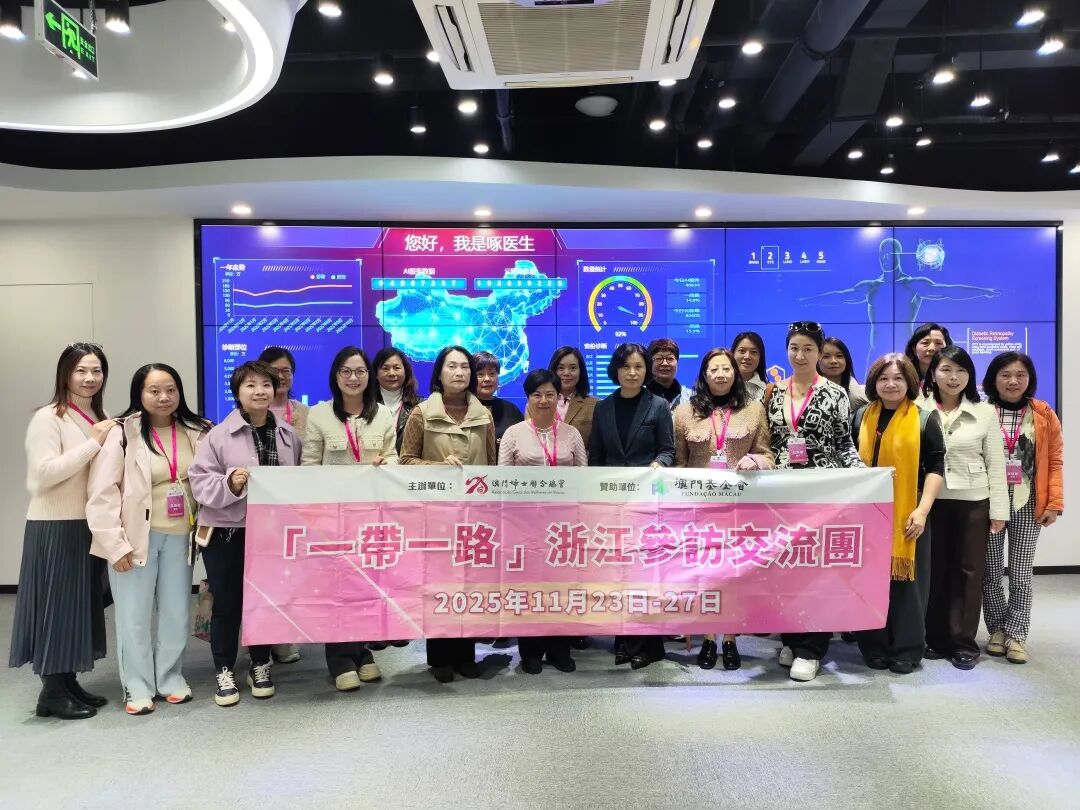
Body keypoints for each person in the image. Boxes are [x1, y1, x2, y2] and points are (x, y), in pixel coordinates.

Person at [86, 364, 212, 714]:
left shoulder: (197, 430)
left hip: (181, 536)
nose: (163, 397)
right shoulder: (122, 433)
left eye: (170, 390)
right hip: (134, 539)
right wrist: (114, 545)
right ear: (139, 394)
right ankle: (138, 686)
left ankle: (170, 676)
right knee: (134, 616)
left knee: (176, 612)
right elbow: (102, 494)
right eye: (154, 390)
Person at [189, 361, 302, 706]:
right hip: (227, 532)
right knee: (227, 603)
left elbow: (298, 482)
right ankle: (224, 669)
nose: (259, 391)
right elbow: (199, 483)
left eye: (266, 385)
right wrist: (231, 484)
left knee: (264, 601)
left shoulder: (288, 435)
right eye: (250, 385)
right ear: (237, 392)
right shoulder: (217, 436)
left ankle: (260, 664)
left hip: (270, 532)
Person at [9, 343, 112, 720]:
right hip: (54, 525)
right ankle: (51, 691)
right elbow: (43, 474)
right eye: (81, 370)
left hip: (86, 524)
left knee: (77, 606)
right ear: (65, 374)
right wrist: (94, 444)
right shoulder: (49, 417)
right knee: (56, 606)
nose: (89, 378)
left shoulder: (95, 416)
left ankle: (67, 682)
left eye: (96, 370)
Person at [766, 322, 865, 682]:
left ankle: (811, 649)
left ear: (819, 353)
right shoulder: (774, 392)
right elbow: (771, 442)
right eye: (794, 347)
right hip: (781, 493)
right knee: (786, 568)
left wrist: (863, 475)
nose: (800, 355)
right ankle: (791, 638)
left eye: (808, 348)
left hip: (822, 492)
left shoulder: (835, 394)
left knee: (817, 569)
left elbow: (844, 444)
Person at [302, 347, 398, 690]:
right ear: (336, 376)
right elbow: (309, 467)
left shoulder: (383, 415)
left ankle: (361, 651)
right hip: (334, 516)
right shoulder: (319, 415)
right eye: (346, 371)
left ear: (368, 376)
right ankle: (340, 658)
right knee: (338, 587)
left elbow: (394, 458)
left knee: (366, 586)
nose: (353, 378)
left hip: (372, 516)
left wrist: (387, 464)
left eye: (360, 371)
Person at [399, 345, 497, 682]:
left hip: (474, 515)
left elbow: (491, 464)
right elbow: (406, 461)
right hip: (436, 514)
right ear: (439, 373)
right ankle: (440, 657)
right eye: (452, 366)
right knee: (439, 584)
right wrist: (437, 466)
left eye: (465, 367)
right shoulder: (422, 413)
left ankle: (466, 654)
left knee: (470, 584)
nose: (459, 372)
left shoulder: (484, 415)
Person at [673, 348, 773, 671]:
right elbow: (679, 462)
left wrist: (755, 460)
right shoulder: (685, 412)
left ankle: (729, 639)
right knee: (704, 574)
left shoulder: (753, 410)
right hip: (699, 509)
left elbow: (768, 455)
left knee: (733, 575)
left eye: (726, 368)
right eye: (714, 369)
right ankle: (707, 638)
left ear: (734, 373)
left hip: (739, 508)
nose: (720, 374)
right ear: (704, 374)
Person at [852, 354, 944, 674]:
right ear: (874, 383)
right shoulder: (861, 416)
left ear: (910, 382)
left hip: (908, 512)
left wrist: (922, 511)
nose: (890, 384)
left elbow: (936, 468)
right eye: (883, 378)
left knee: (908, 586)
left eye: (898, 378)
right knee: (868, 581)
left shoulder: (924, 419)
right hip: (867, 512)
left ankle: (907, 649)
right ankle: (873, 646)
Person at [918, 345, 1008, 670]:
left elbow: (996, 463)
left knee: (969, 571)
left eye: (960, 371)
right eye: (945, 370)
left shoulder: (984, 412)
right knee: (935, 570)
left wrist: (999, 510)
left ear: (969, 375)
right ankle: (935, 636)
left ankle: (963, 642)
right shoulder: (918, 408)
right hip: (931, 502)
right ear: (933, 373)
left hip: (973, 501)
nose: (953, 377)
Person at [589, 343, 675, 670]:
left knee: (645, 575)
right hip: (613, 502)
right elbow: (597, 456)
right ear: (616, 370)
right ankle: (623, 641)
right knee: (617, 574)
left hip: (646, 501)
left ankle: (647, 645)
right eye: (626, 366)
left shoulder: (658, 406)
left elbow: (668, 450)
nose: (633, 372)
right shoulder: (603, 407)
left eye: (639, 366)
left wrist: (658, 464)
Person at [498, 369, 587, 674]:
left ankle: (559, 649)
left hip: (563, 527)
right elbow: (503, 483)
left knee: (561, 588)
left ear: (558, 397)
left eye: (550, 394)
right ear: (528, 397)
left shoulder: (572, 434)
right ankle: (531, 651)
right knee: (529, 589)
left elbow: (583, 480)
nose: (544, 400)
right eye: (537, 394)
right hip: (525, 526)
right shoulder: (514, 434)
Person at [981, 353, 1063, 665]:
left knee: (1020, 573)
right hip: (989, 502)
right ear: (994, 378)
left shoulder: (1043, 413)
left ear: (1030, 379)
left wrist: (1054, 503)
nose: (1013, 381)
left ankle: (1016, 634)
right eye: (1005, 374)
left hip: (1028, 502)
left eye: (1020, 375)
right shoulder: (982, 411)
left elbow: (1054, 460)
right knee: (989, 572)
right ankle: (996, 630)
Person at [257, 346, 308, 665]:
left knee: (290, 575)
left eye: (286, 370)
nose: (281, 376)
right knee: (261, 575)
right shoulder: (250, 410)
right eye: (274, 371)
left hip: (296, 508)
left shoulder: (305, 413)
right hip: (260, 510)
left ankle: (285, 636)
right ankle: (260, 640)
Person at [373, 347, 422, 454]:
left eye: (397, 368)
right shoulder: (366, 405)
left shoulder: (420, 406)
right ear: (376, 373)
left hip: (409, 463)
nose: (391, 373)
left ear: (406, 372)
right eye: (385, 368)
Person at [474, 351, 525, 444]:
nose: (487, 379)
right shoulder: (463, 407)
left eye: (492, 374)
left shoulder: (511, 409)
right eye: (480, 374)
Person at [818, 336, 869, 413]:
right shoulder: (806, 391)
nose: (833, 361)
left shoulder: (858, 398)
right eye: (826, 356)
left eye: (839, 356)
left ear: (846, 360)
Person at [647, 337, 693, 409]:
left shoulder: (691, 397)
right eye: (659, 358)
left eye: (670, 358)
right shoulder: (640, 396)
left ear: (677, 362)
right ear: (650, 363)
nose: (665, 363)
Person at [731, 331, 769, 403]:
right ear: (733, 353)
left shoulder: (768, 391)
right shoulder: (722, 387)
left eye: (753, 352)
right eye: (742, 351)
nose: (747, 356)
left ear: (760, 357)